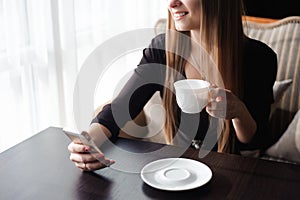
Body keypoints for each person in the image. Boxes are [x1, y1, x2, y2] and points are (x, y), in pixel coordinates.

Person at [68, 0, 277, 171]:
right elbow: (121, 108)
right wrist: (87, 142)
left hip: (233, 173)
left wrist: (239, 111)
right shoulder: (163, 49)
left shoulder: (259, 58)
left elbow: (253, 143)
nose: (172, 3)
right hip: (176, 171)